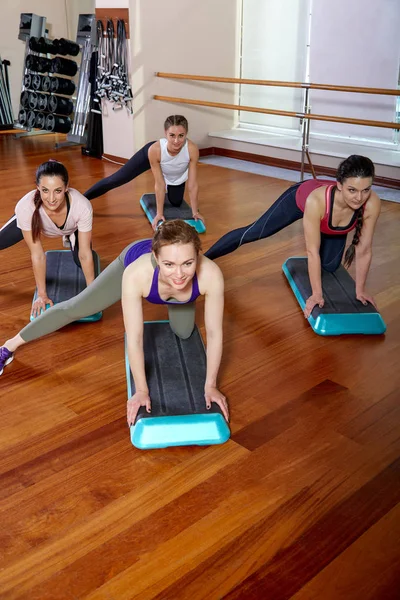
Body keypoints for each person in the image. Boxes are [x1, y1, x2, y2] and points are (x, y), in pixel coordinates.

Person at [0, 220, 228, 424]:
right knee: (78, 307)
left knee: (184, 331)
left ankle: (172, 293)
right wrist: (141, 390)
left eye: (188, 263)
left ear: (198, 255)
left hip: (177, 292)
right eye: (169, 264)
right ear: (156, 257)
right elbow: (135, 337)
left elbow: (215, 334)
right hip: (135, 265)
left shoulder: (211, 274)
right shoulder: (135, 273)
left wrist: (211, 385)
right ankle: (8, 346)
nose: (179, 273)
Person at [205, 155, 381, 318]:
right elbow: (312, 252)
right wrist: (316, 294)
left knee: (330, 267)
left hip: (328, 219)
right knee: (254, 232)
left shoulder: (371, 203)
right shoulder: (316, 201)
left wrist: (360, 290)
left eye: (365, 190)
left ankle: (324, 230)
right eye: (352, 190)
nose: (359, 198)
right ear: (340, 185)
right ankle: (202, 258)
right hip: (300, 200)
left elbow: (364, 250)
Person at [2, 160, 95, 317]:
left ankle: (68, 236)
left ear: (67, 187)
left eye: (58, 191)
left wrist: (93, 293)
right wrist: (42, 295)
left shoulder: (82, 207)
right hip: (33, 221)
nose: (51, 199)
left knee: (80, 261)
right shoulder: (26, 207)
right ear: (37, 187)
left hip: (71, 228)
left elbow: (85, 254)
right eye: (45, 190)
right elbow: (37, 255)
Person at [84, 114, 204, 230]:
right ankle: (82, 198)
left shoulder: (192, 149)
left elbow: (192, 185)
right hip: (152, 157)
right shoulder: (155, 150)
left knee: (176, 202)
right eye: (172, 135)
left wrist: (195, 212)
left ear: (186, 134)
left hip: (174, 172)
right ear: (165, 133)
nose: (176, 141)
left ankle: (173, 186)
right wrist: (159, 213)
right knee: (117, 179)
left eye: (181, 136)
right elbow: (160, 184)